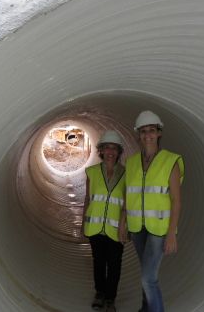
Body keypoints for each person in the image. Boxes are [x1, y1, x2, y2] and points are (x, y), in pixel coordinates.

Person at [119, 111, 184, 312]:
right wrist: (123, 221)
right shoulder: (131, 163)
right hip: (138, 228)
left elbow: (176, 200)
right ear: (138, 135)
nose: (148, 135)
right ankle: (145, 308)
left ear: (159, 133)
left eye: (152, 131)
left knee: (149, 278)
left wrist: (171, 232)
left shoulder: (170, 161)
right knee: (145, 273)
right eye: (143, 131)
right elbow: (128, 195)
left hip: (159, 229)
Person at [82, 130, 126, 312]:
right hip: (95, 227)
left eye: (114, 148)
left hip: (116, 228)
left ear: (119, 152)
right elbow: (87, 199)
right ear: (100, 150)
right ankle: (100, 293)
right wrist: (82, 222)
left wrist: (124, 226)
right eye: (107, 147)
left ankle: (110, 299)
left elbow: (127, 203)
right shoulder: (91, 172)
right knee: (99, 262)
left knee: (114, 265)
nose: (110, 152)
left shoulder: (126, 174)